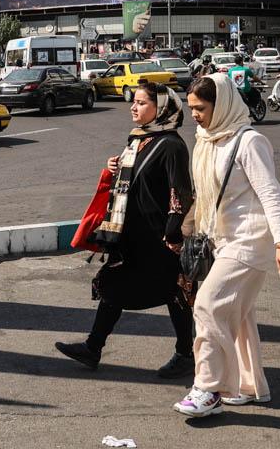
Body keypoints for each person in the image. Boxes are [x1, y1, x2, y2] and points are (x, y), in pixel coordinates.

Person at [173, 74, 280, 417]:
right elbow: (203, 197)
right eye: (192, 108)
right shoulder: (207, 139)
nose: (195, 114)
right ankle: (246, 386)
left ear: (222, 104)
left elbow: (271, 193)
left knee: (208, 306)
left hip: (251, 241)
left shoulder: (250, 141)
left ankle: (208, 388)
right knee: (237, 318)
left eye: (201, 108)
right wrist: (185, 230)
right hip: (222, 240)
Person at [55, 83, 195, 379]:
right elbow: (132, 181)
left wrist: (173, 232)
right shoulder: (138, 139)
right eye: (134, 102)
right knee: (115, 287)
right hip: (132, 235)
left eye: (142, 103)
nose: (134, 107)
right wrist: (114, 167)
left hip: (159, 238)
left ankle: (186, 354)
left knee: (174, 293)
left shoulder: (171, 144)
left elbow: (180, 191)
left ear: (162, 109)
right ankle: (93, 347)